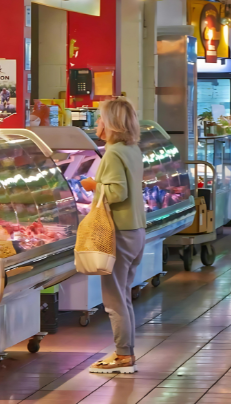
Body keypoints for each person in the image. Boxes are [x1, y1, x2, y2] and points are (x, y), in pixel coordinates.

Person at [80, 98, 146, 374]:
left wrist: (94, 185)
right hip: (136, 229)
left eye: (100, 119)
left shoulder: (113, 153)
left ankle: (122, 356)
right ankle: (125, 351)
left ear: (112, 124)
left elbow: (117, 192)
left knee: (114, 299)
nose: (97, 124)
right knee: (124, 295)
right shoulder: (132, 149)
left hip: (118, 230)